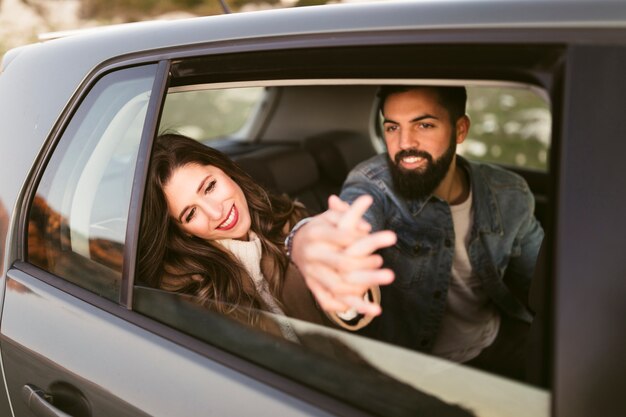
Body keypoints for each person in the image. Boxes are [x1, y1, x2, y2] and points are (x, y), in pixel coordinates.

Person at [289, 85, 544, 380]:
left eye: (424, 125)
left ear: (460, 130)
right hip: (413, 366)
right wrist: (307, 239)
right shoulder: (373, 184)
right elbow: (347, 222)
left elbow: (543, 283)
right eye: (392, 127)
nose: (405, 142)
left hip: (497, 341)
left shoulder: (509, 193)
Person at [137, 133, 382, 340]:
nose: (216, 212)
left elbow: (346, 325)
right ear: (183, 232)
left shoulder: (293, 222)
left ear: (226, 170)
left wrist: (347, 296)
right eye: (190, 214)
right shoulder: (184, 291)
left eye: (210, 187)